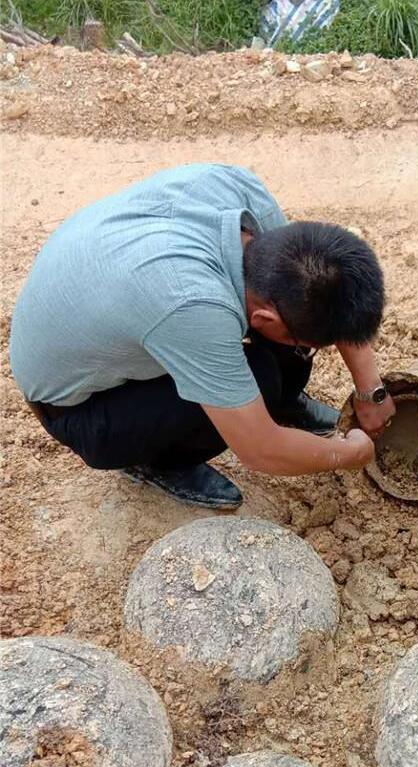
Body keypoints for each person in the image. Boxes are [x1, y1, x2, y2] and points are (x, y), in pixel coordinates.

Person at [10, 163, 396, 509]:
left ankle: (283, 400)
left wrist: (370, 391)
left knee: (289, 343)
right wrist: (347, 455)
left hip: (117, 309)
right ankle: (157, 461)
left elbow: (329, 294)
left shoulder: (243, 196)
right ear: (263, 316)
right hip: (82, 409)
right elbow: (261, 450)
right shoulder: (189, 304)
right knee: (260, 377)